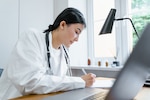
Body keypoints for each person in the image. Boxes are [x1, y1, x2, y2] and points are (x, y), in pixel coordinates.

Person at [0, 7, 96, 100]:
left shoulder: (64, 53)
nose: (77, 39)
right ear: (62, 25)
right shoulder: (32, 37)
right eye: (76, 32)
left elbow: (57, 85)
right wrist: (79, 81)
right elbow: (31, 83)